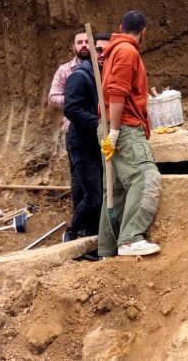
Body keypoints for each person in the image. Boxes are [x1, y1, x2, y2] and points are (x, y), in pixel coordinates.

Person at [98, 11, 162, 257]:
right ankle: (130, 238)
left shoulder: (114, 51)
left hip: (111, 125)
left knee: (115, 191)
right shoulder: (127, 51)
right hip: (123, 126)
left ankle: (107, 250)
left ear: (120, 26)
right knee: (146, 177)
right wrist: (115, 132)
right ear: (143, 31)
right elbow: (117, 92)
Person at [63, 33, 111, 243]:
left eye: (106, 51)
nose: (102, 54)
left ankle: (92, 237)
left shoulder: (106, 75)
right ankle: (72, 232)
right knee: (93, 197)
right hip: (83, 145)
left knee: (101, 196)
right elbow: (71, 109)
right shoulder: (80, 75)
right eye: (99, 49)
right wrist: (100, 124)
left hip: (100, 144)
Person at [48, 28, 90, 135]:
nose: (84, 45)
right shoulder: (65, 70)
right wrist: (74, 99)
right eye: (79, 42)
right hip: (74, 130)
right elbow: (52, 98)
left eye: (87, 41)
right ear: (73, 47)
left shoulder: (101, 68)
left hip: (99, 128)